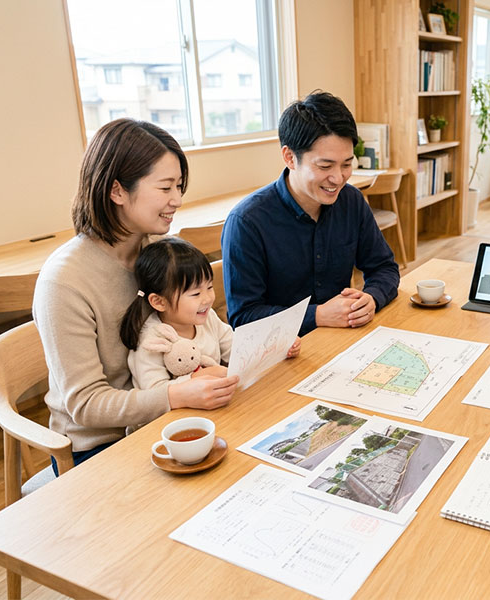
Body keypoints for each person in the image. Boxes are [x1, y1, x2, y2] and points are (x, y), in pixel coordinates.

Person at [33, 119, 240, 473]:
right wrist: (178, 394)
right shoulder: (64, 281)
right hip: (101, 446)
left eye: (179, 186)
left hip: (168, 416)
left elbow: (211, 325)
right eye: (165, 188)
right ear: (117, 191)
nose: (177, 199)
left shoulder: (159, 253)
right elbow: (85, 404)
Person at [221, 91, 400, 336]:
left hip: (341, 338)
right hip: (281, 352)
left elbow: (384, 267)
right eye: (325, 166)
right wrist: (318, 315)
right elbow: (244, 317)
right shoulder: (247, 222)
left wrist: (372, 297)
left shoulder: (351, 201)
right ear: (289, 157)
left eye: (347, 164)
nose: (338, 178)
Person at [121, 237, 300, 389]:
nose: (207, 298)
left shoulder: (207, 318)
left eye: (210, 287)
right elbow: (154, 394)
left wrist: (278, 346)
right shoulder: (151, 341)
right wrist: (198, 378)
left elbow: (238, 349)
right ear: (159, 302)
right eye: (196, 294)